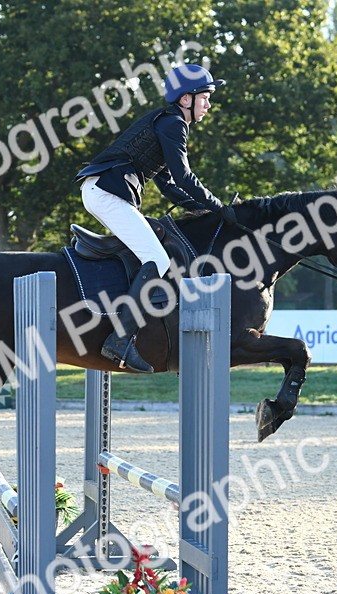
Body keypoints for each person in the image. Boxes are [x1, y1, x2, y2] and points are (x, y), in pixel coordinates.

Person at [75, 63, 235, 373]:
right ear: (186, 99)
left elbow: (168, 184)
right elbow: (184, 176)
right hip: (106, 193)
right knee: (157, 259)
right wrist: (218, 206)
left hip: (102, 191)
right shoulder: (173, 123)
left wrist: (199, 208)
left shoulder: (165, 122)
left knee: (150, 253)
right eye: (205, 97)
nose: (208, 105)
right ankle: (120, 339)